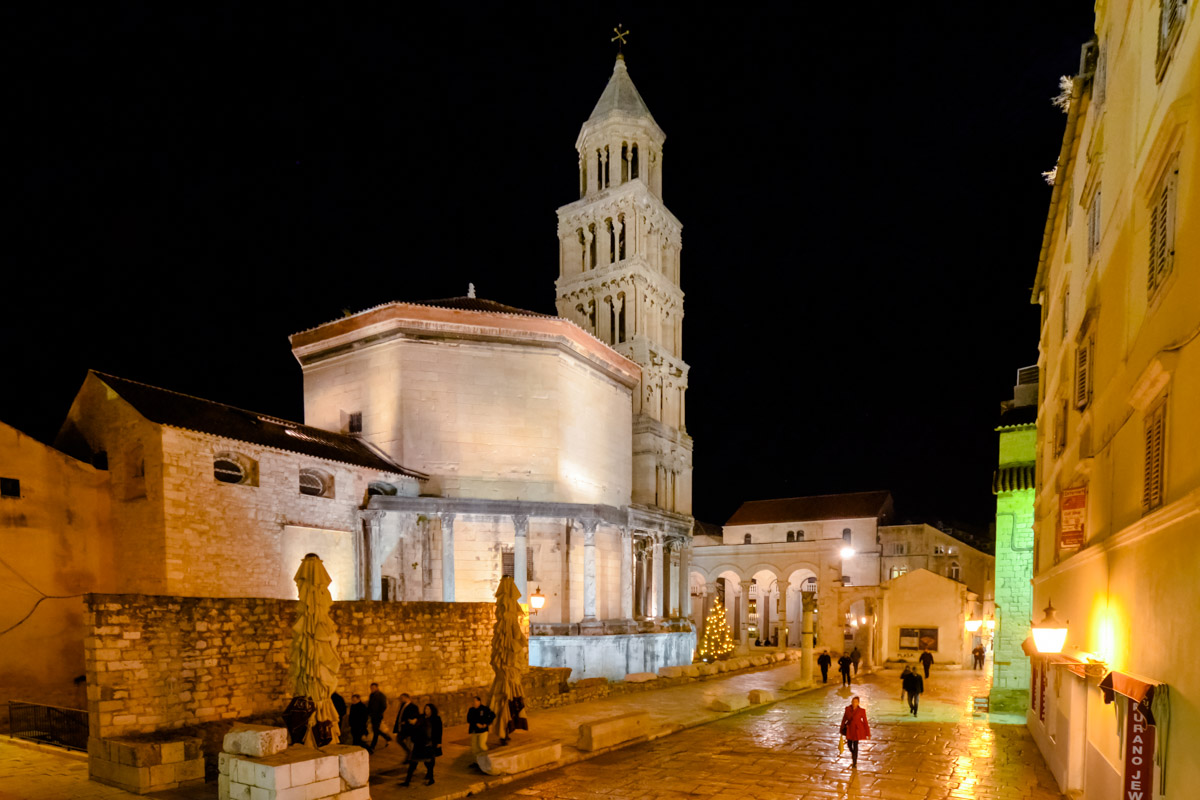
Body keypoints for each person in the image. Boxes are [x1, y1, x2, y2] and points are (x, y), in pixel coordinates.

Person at [401, 704, 442, 787]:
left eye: (428, 709)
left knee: (429, 762)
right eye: (425, 708)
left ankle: (430, 778)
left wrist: (438, 742)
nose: (426, 710)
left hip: (428, 743)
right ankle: (407, 781)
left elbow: (439, 731)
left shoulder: (435, 719)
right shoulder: (421, 718)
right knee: (413, 764)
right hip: (420, 745)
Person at [838, 695, 870, 768]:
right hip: (849, 729)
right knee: (849, 744)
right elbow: (844, 719)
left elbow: (865, 722)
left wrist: (868, 733)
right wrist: (841, 728)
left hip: (857, 730)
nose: (854, 703)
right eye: (853, 701)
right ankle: (853, 754)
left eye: (855, 702)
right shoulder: (847, 709)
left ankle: (854, 761)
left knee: (855, 745)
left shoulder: (862, 711)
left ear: (858, 703)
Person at [392, 692, 420, 759]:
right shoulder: (403, 705)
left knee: (405, 741)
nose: (400, 699)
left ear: (406, 698)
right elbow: (400, 715)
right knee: (400, 740)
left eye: (402, 698)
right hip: (402, 727)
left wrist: (406, 722)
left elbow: (415, 717)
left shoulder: (413, 707)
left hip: (408, 728)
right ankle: (409, 754)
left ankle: (410, 755)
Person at [367, 683, 391, 753]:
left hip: (378, 716)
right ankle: (387, 738)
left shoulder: (381, 695)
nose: (372, 689)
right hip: (372, 715)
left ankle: (372, 746)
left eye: (373, 688)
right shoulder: (371, 695)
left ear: (377, 688)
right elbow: (370, 705)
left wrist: (379, 713)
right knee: (376, 730)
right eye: (371, 688)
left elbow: (384, 706)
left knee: (375, 731)